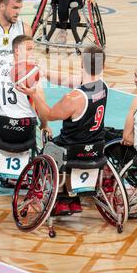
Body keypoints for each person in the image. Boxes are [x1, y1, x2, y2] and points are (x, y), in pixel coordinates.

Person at [17, 46, 107, 214]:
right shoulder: (102, 86)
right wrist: (43, 71)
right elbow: (67, 78)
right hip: (95, 147)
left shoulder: (72, 99)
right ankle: (72, 200)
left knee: (46, 149)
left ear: (81, 63)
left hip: (72, 149)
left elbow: (49, 114)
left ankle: (56, 198)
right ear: (103, 66)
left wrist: (34, 94)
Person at [0, 35, 50, 135]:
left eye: (33, 49)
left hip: (3, 125)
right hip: (26, 127)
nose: (32, 53)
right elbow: (41, 107)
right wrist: (44, 126)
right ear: (17, 51)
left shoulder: (0, 70)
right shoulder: (32, 73)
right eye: (29, 49)